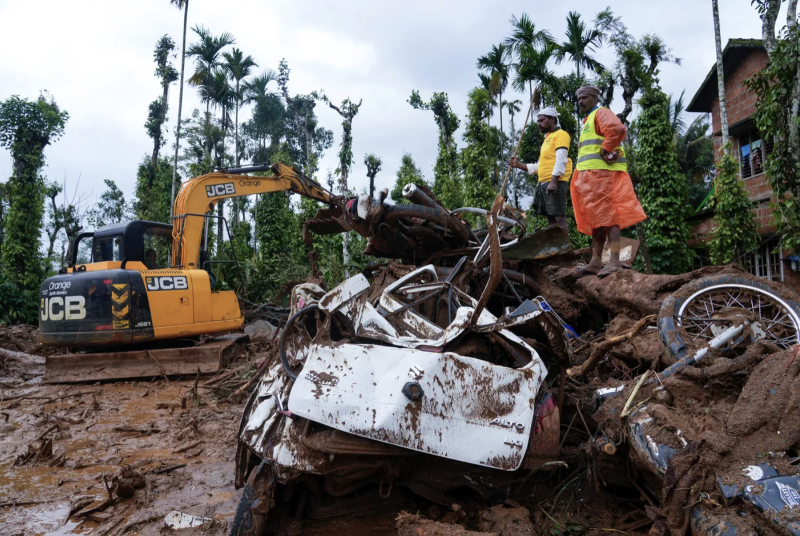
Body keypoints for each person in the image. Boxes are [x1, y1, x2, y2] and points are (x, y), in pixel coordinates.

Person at [571, 86, 646, 278]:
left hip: (603, 176)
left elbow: (617, 129)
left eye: (584, 98)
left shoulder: (601, 112)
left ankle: (614, 260)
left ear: (595, 98)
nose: (580, 101)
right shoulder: (588, 120)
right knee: (598, 220)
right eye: (578, 99)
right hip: (592, 178)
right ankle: (596, 261)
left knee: (609, 218)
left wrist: (605, 150)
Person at [509, 108, 573, 231]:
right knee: (551, 219)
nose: (539, 123)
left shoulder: (561, 135)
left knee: (559, 218)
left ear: (552, 119)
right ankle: (556, 247)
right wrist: (518, 165)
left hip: (555, 182)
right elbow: (539, 167)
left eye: (542, 120)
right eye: (538, 121)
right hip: (545, 183)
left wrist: (554, 182)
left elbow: (561, 159)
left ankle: (565, 248)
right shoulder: (547, 138)